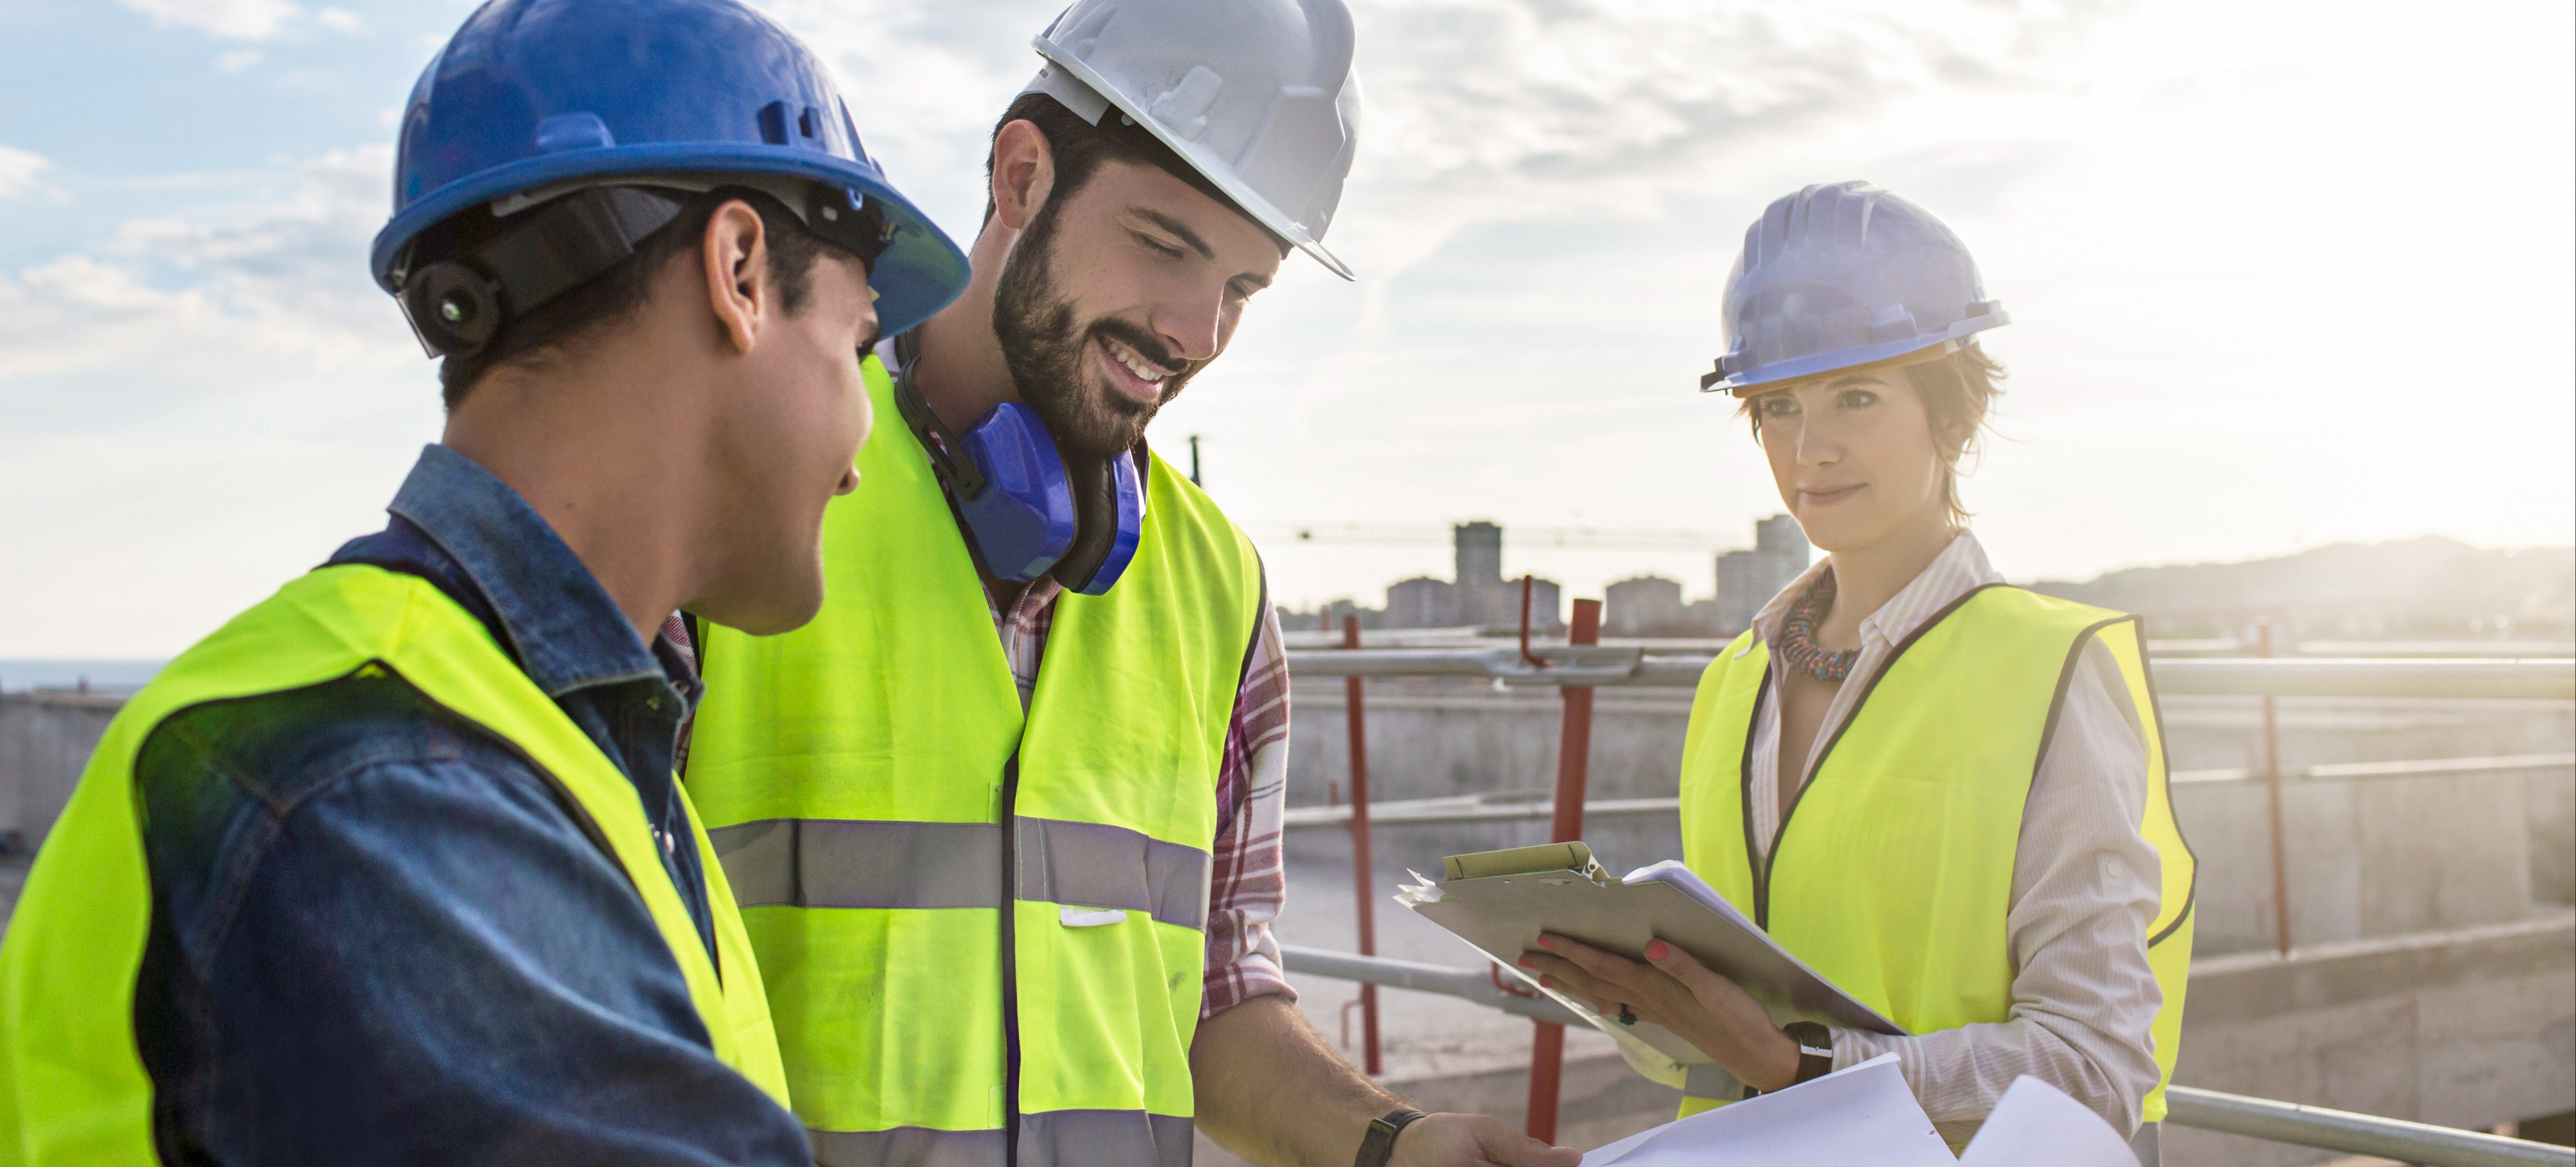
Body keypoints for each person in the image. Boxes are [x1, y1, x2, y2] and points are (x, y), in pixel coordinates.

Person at [0, 3, 969, 1164]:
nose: (866, 450)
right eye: (858, 346)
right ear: (742, 272)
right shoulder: (377, 786)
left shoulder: (562, 745)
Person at [678, 2, 1576, 1165]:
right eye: (1164, 245)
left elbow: (1213, 998)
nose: (1194, 331)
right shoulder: (742, 496)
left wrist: (1388, 1143)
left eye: (1244, 289)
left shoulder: (1218, 590)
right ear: (1019, 174)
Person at [1512, 182, 2197, 1161]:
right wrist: (1639, 1001)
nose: (1811, 449)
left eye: (1858, 398)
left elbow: (2096, 1070)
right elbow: (1720, 1058)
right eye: (1779, 406)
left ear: (1951, 417)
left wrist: (1808, 1067)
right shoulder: (1732, 683)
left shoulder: (2050, 670)